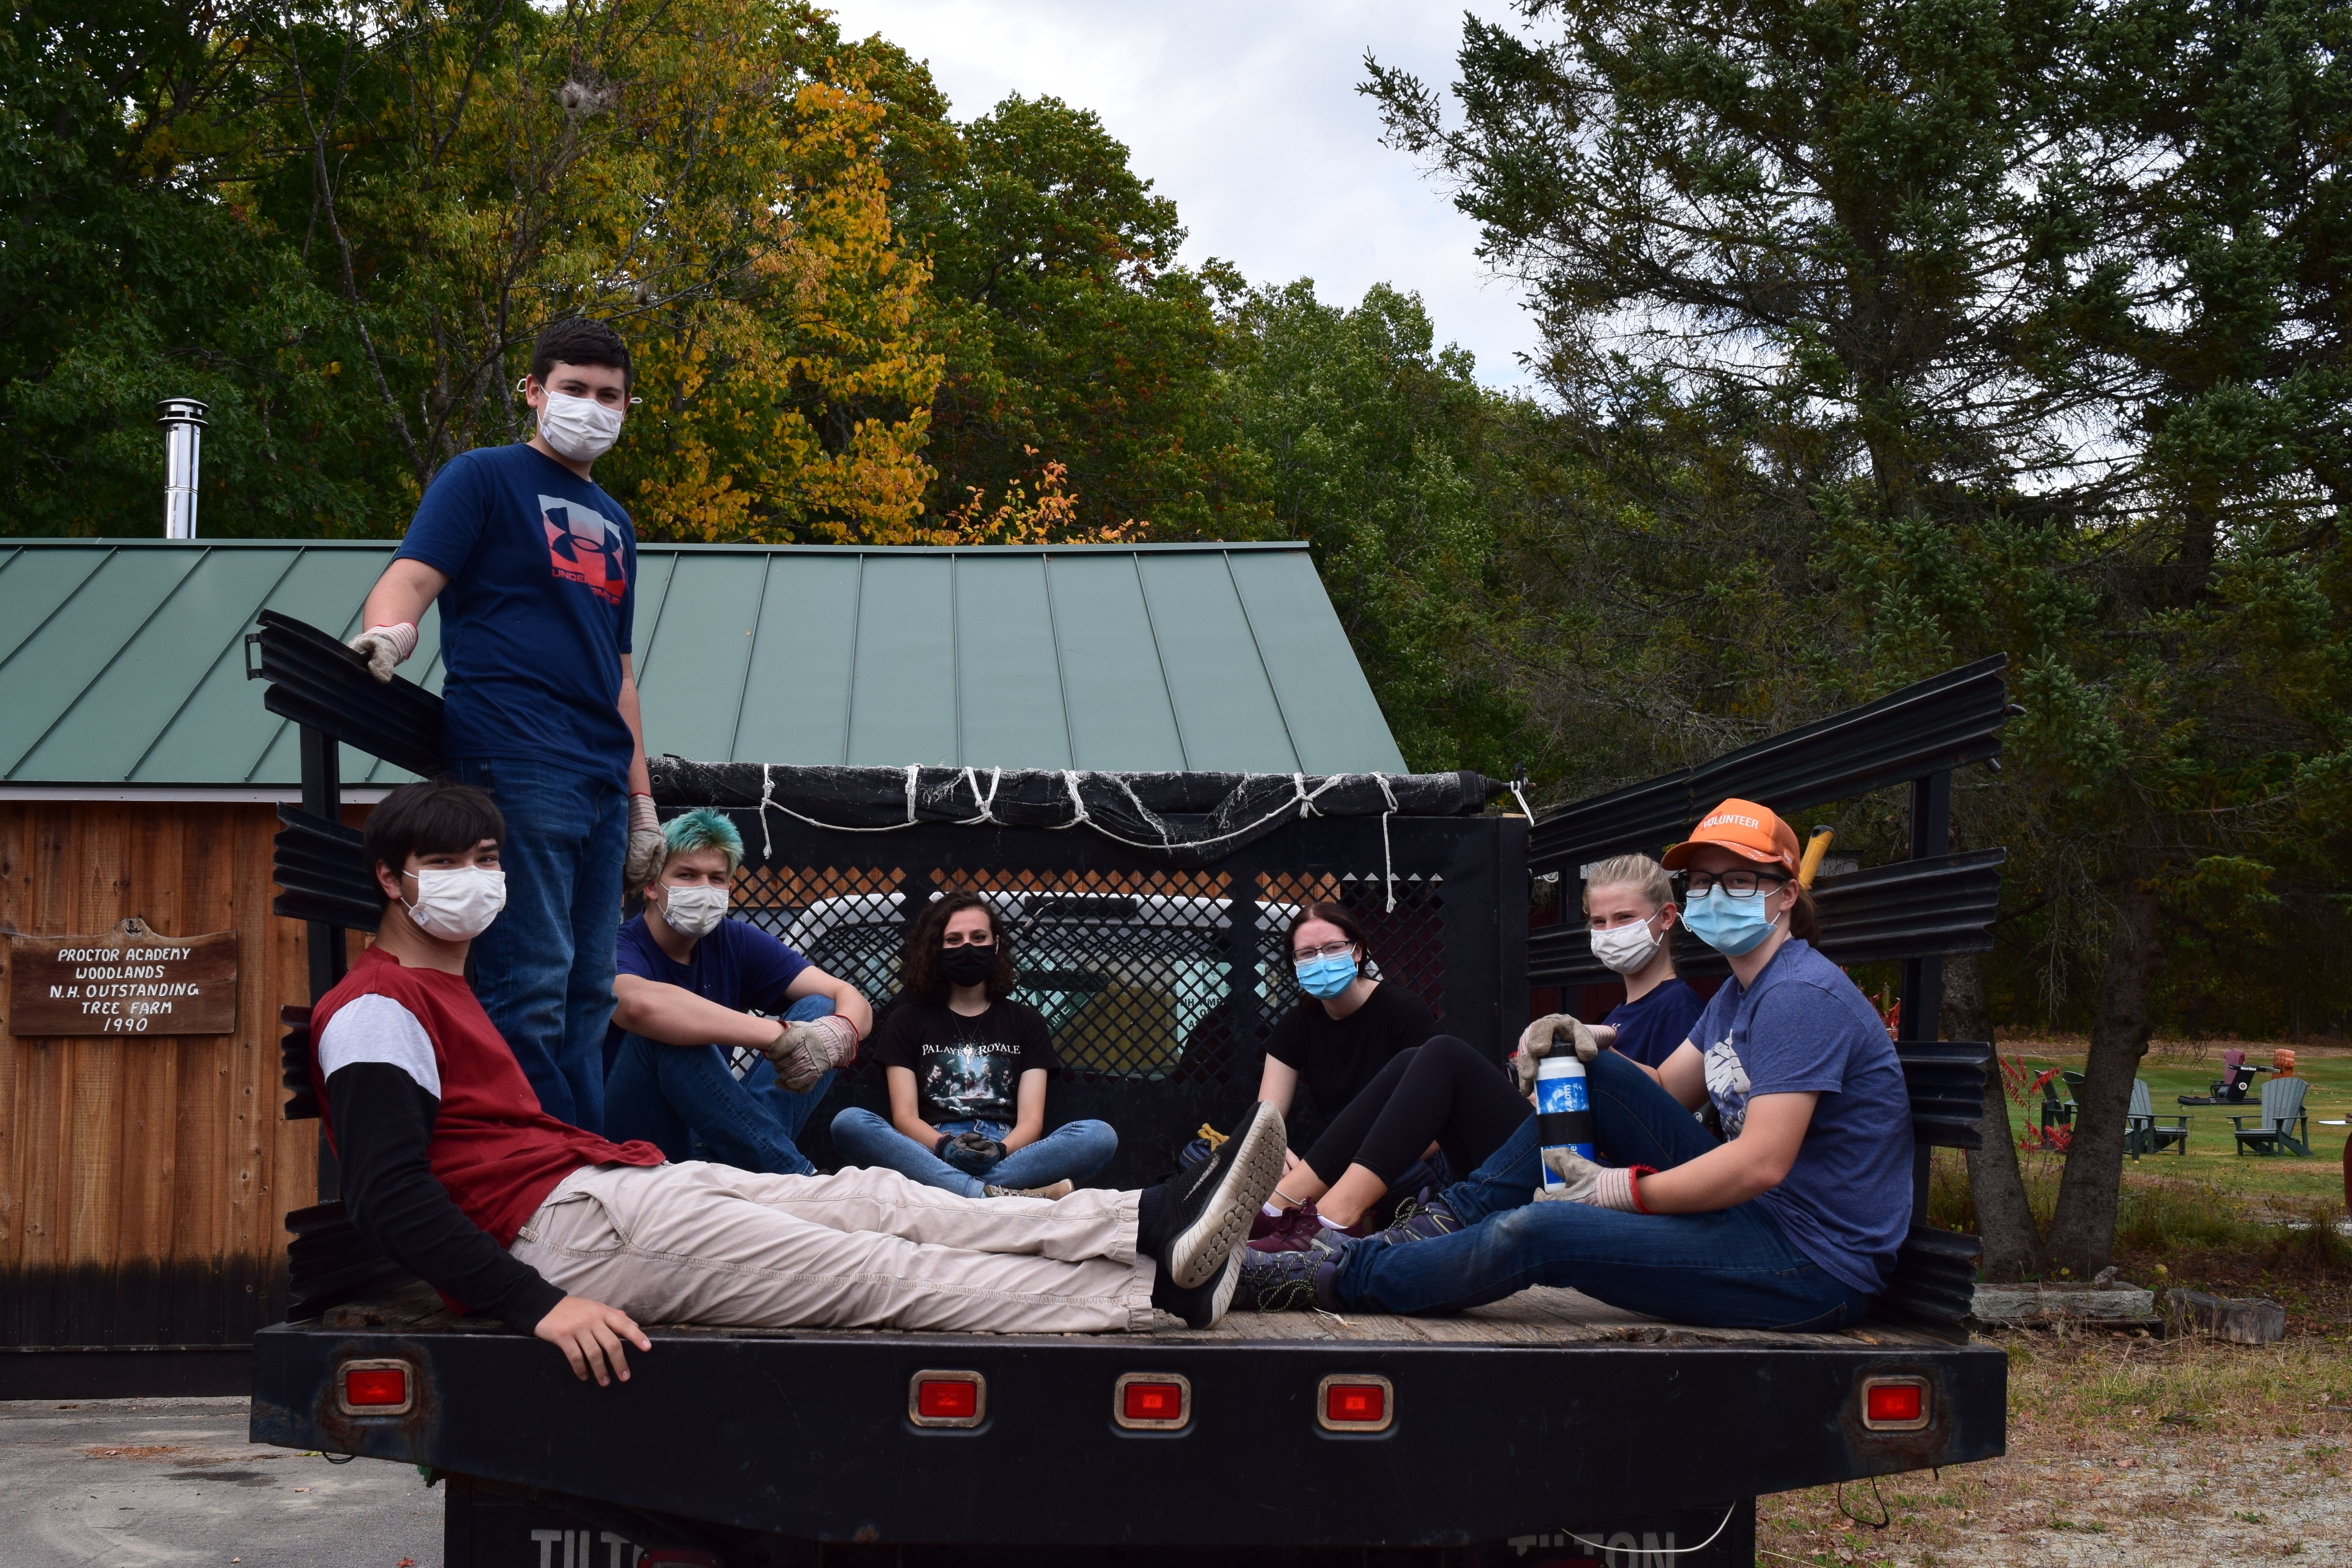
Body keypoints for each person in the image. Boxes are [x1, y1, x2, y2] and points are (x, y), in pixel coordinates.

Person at [312, 779, 1286, 1381]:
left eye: (487, 859)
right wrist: (534, 1301)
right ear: (393, 879)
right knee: (870, 1273)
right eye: (444, 862)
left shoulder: (455, 988)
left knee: (870, 1199)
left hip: (616, 1187)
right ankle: (1150, 1293)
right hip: (560, 1235)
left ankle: (1141, 1225)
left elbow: (831, 1003)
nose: (474, 878)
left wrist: (821, 1030)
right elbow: (389, 1194)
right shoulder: (374, 1008)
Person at [1238, 798, 1911, 1334]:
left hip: (1809, 1264)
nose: (1715, 896)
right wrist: (1572, 1042)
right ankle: (1435, 1224)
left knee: (1540, 1229)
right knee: (1586, 1072)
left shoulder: (1800, 995)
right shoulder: (1742, 992)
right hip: (1759, 1219)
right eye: (1703, 881)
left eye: (1739, 881)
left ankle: (1333, 1275)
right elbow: (1660, 1091)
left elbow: (1760, 1163)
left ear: (1787, 894)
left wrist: (1621, 1193)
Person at [346, 317, 664, 1134]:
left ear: (629, 407)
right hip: (515, 752)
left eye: (608, 396)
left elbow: (618, 670)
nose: (590, 407)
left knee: (591, 989)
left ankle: (586, 1161)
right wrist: (392, 630)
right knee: (530, 981)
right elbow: (414, 574)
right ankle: (541, 1180)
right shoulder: (483, 477)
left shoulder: (618, 523)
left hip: (599, 777)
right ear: (533, 390)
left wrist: (642, 803)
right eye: (573, 389)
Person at [604, 808, 872, 1175]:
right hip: (635, 1138)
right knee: (666, 1032)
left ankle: (750, 1167)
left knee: (823, 1009)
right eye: (687, 875)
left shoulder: (734, 940)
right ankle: (795, 1176)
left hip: (719, 1131)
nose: (704, 889)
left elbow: (847, 995)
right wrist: (781, 1036)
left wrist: (839, 1033)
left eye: (717, 878)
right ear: (651, 885)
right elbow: (638, 1007)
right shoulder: (619, 947)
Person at [831, 893, 1118, 1198]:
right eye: (954, 940)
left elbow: (1031, 1120)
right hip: (932, 1151)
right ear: (937, 949)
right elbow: (905, 1117)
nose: (967, 947)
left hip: (1007, 1151)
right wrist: (944, 1146)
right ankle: (1000, 1196)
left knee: (1100, 1135)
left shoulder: (1027, 1022)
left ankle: (967, 1192)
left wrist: (999, 1149)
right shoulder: (906, 1021)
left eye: (979, 937)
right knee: (849, 1123)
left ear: (995, 945)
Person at [1254, 901, 1441, 1187]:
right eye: (1307, 953)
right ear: (1295, 963)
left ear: (1357, 951)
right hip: (1337, 1164)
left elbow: (1435, 1122)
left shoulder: (1405, 1011)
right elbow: (1265, 1117)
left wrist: (1359, 1175)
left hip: (1408, 1165)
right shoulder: (1295, 1025)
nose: (1321, 960)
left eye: (1333, 948)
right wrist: (1272, 1152)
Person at [1579, 853, 1708, 1070]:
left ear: (1666, 917)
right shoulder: (1617, 1015)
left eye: (1625, 917)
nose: (1610, 931)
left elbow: (1669, 1101)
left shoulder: (1679, 1009)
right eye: (1599, 922)